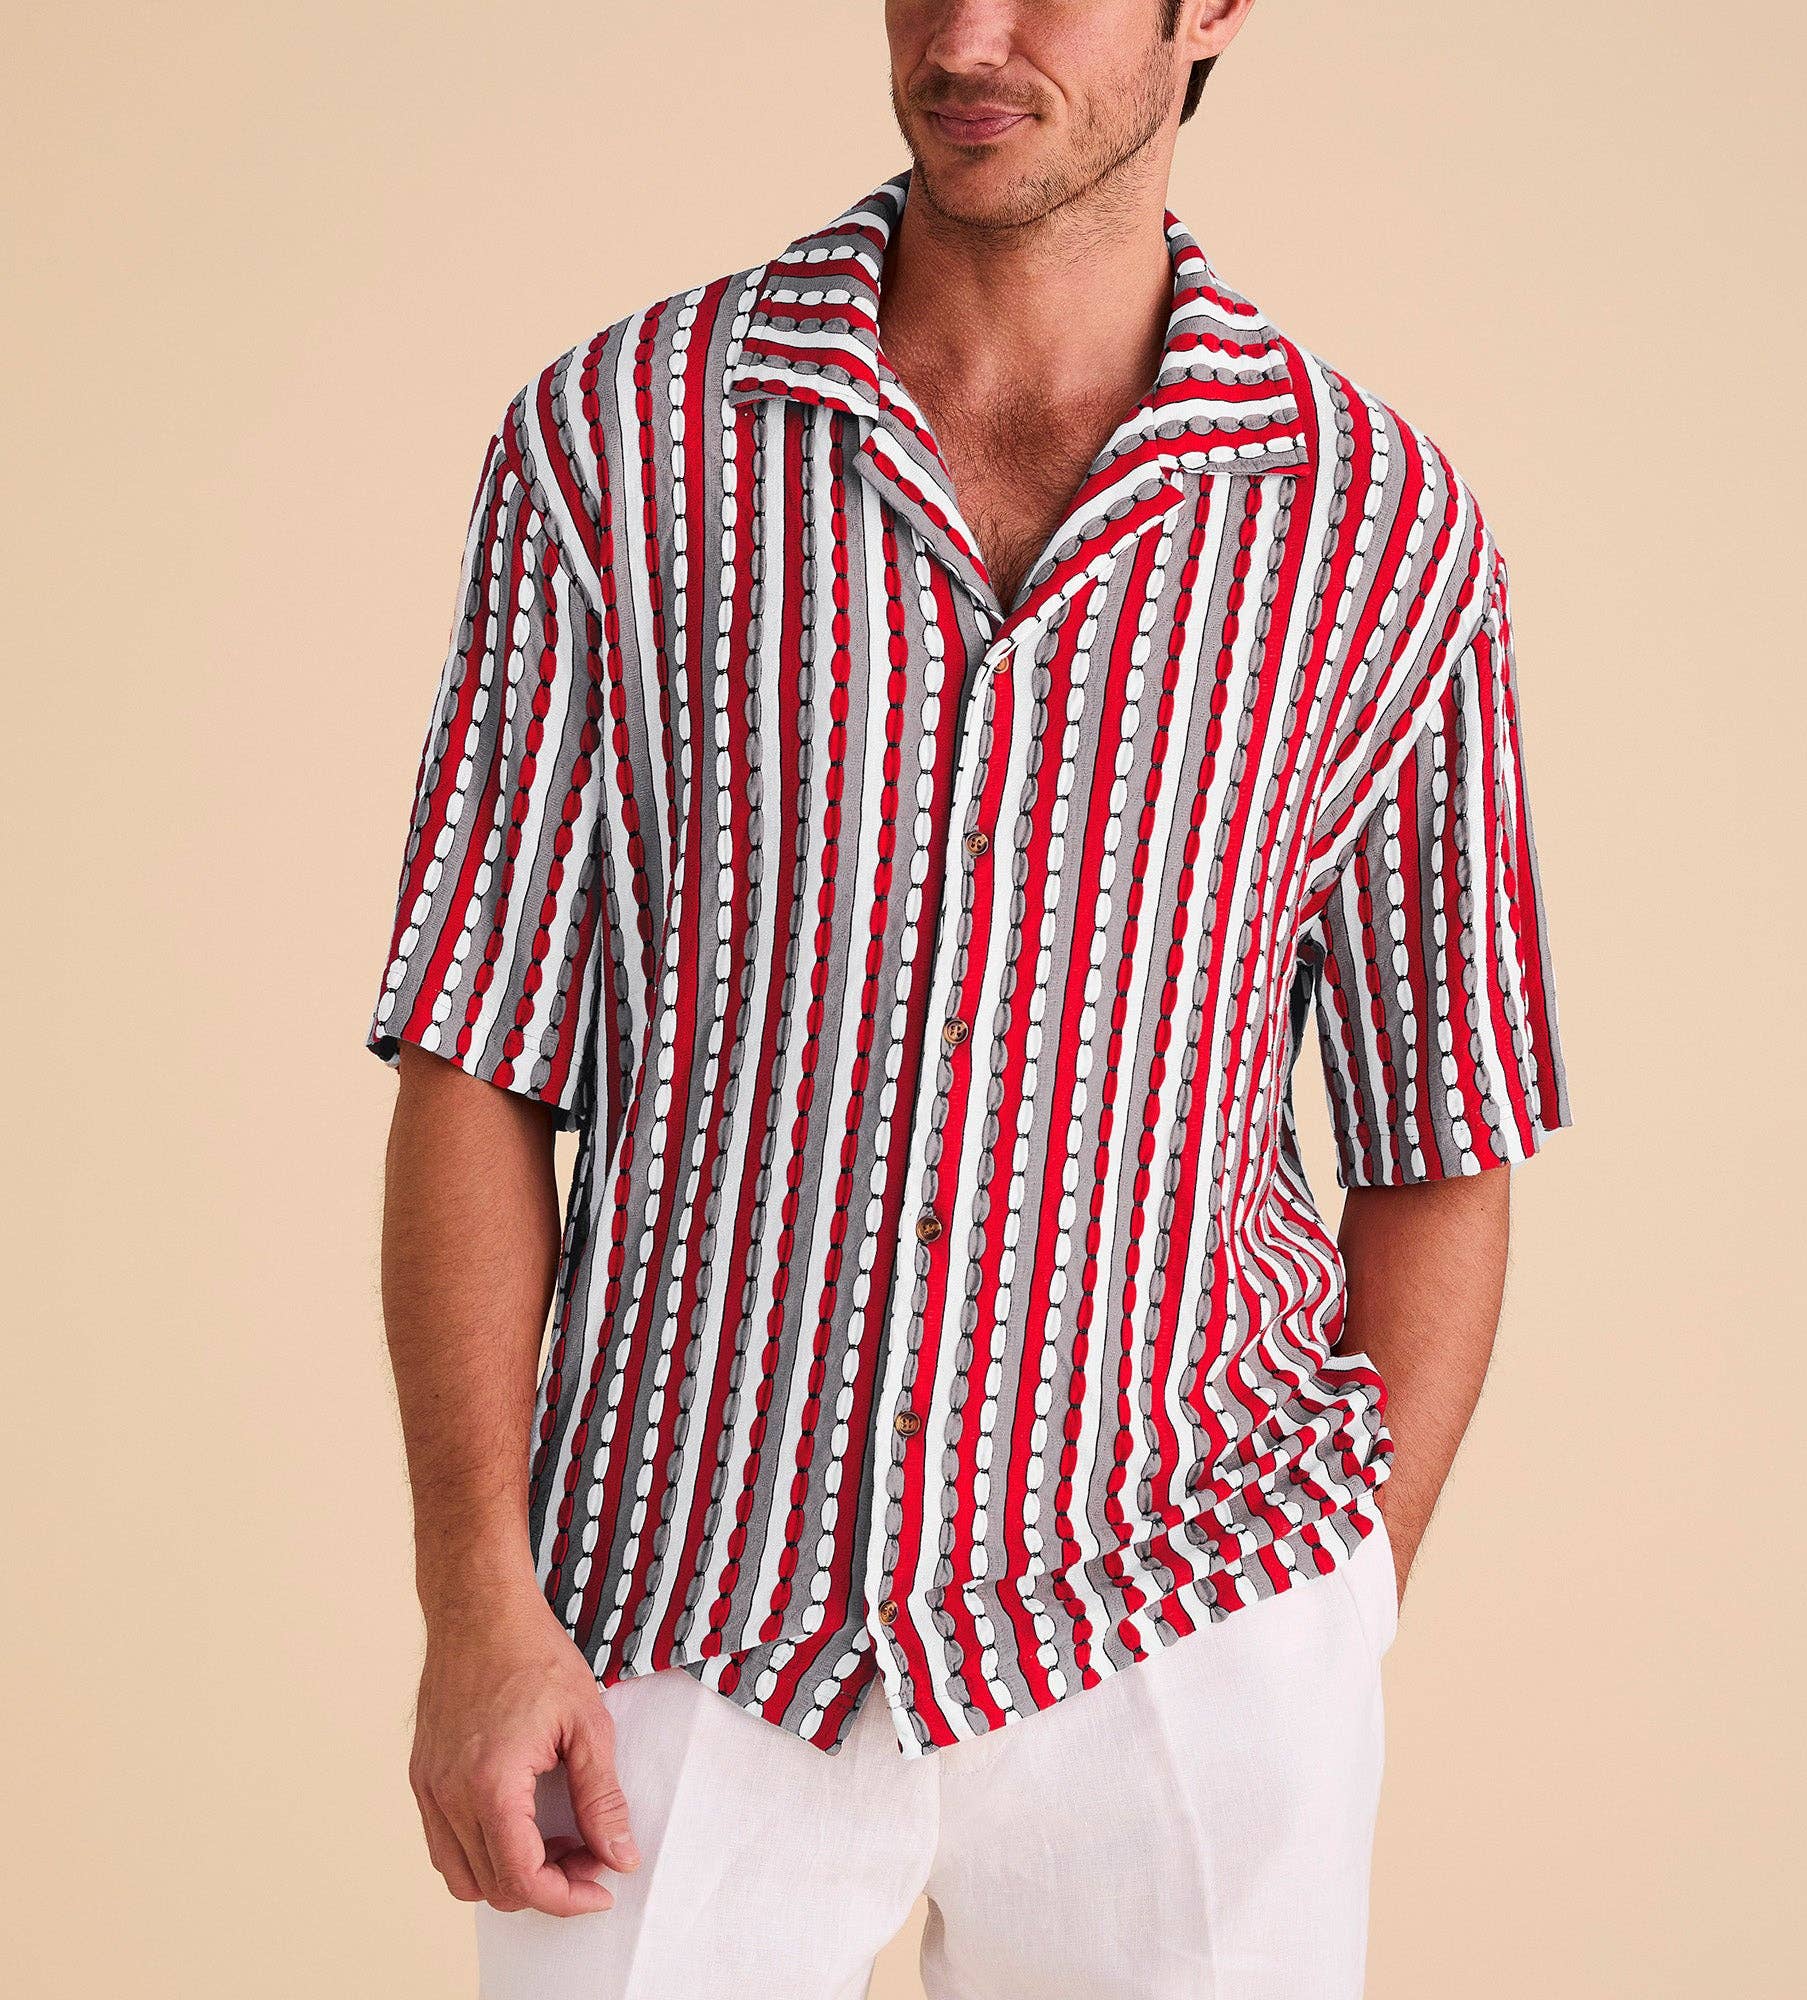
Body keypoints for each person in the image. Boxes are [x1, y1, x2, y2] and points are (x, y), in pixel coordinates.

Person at [363, 3, 1569, 1993]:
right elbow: (475, 1058)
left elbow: (1444, 1129)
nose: (969, 33)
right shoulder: (620, 446)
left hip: (1183, 1608)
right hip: (678, 1605)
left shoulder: (1378, 532)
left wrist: (1338, 1617)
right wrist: (477, 1599)